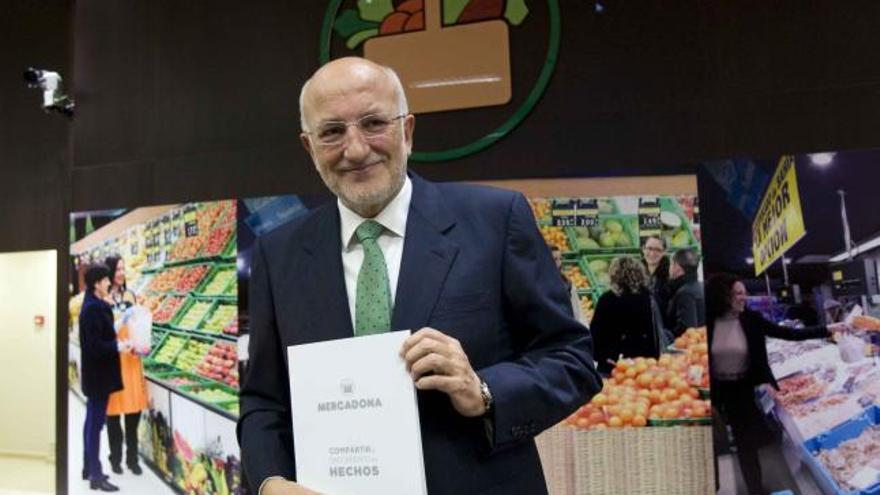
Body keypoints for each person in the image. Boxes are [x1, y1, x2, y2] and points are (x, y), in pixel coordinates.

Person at [238, 57, 601, 495]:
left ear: (407, 131)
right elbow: (264, 401)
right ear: (309, 146)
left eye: (373, 123)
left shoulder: (495, 220)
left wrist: (484, 390)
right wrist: (270, 482)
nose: (355, 149)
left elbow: (572, 359)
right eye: (332, 131)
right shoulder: (280, 254)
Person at [706, 273, 846, 495]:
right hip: (720, 394)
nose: (745, 297)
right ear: (722, 296)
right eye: (739, 293)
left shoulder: (751, 319)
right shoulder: (706, 323)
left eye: (745, 292)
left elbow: (788, 333)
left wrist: (828, 329)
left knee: (747, 445)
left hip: (746, 391)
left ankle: (755, 487)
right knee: (727, 443)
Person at [80, 264, 128, 492]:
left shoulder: (94, 305)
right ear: (96, 283)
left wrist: (119, 323)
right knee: (95, 425)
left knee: (91, 422)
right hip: (99, 377)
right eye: (106, 280)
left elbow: (100, 334)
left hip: (95, 376)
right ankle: (96, 476)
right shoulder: (92, 309)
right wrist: (118, 345)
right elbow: (94, 346)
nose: (110, 283)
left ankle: (88, 468)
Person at [103, 256, 147, 475]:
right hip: (113, 359)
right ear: (109, 272)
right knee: (113, 414)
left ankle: (133, 458)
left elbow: (138, 322)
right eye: (117, 269)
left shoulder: (130, 295)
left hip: (131, 359)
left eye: (123, 268)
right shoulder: (103, 297)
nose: (121, 272)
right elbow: (103, 328)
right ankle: (115, 457)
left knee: (133, 412)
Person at [590, 256, 663, 374]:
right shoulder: (649, 298)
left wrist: (600, 356)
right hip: (644, 364)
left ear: (614, 275)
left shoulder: (608, 299)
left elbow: (596, 334)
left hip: (613, 364)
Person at [666, 248, 705, 337]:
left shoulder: (684, 293)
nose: (669, 268)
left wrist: (664, 335)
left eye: (671, 264)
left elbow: (687, 329)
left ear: (677, 267)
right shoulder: (700, 287)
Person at [550, 245, 588, 326]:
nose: (559, 262)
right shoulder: (539, 283)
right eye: (555, 259)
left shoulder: (567, 283)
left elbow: (576, 312)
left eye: (560, 259)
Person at [641, 235, 670, 307]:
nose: (652, 253)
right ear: (643, 249)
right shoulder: (635, 272)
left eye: (657, 250)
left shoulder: (670, 275)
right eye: (649, 248)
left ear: (664, 252)